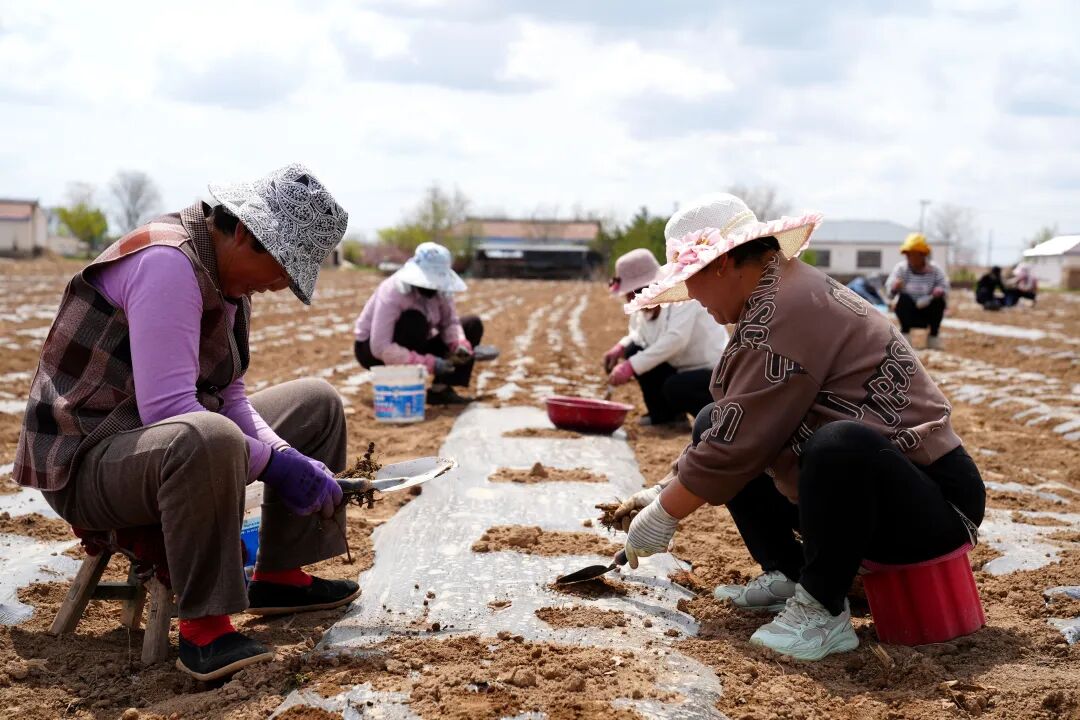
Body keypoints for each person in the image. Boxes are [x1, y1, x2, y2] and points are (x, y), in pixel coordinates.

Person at [13, 164, 360, 681]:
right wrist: (273, 465)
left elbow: (230, 394)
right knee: (210, 437)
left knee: (317, 403)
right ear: (244, 233)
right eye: (283, 268)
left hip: (148, 441)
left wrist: (285, 455)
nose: (281, 284)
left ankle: (280, 576)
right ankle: (205, 628)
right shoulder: (168, 264)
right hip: (86, 462)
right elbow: (171, 408)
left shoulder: (226, 279)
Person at [611, 193, 984, 661]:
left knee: (838, 446)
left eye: (691, 279)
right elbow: (735, 422)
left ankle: (822, 607)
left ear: (722, 264)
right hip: (873, 494)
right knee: (713, 420)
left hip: (934, 503)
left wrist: (663, 513)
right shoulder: (775, 294)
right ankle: (791, 573)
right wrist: (664, 489)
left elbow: (736, 445)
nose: (693, 296)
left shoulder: (784, 308)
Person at [603, 248, 728, 426]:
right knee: (633, 350)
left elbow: (675, 339)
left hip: (710, 370)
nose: (629, 299)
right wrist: (621, 347)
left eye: (632, 293)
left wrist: (631, 366)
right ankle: (663, 415)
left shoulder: (682, 295)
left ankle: (716, 422)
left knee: (676, 386)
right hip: (679, 366)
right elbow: (637, 334)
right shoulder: (642, 307)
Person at [354, 242, 483, 406]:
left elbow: (450, 322)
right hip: (373, 351)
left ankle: (441, 390)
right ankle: (401, 387)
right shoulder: (393, 291)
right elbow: (380, 346)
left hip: (417, 342)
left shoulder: (442, 291)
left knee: (472, 324)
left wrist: (459, 345)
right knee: (414, 320)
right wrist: (430, 363)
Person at [885, 233, 950, 349]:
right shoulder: (901, 269)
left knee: (939, 302)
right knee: (902, 299)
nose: (910, 257)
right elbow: (889, 292)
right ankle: (905, 335)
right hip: (909, 311)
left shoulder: (934, 270)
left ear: (923, 255)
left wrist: (939, 290)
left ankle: (933, 336)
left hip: (928, 310)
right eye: (908, 254)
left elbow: (944, 285)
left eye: (913, 254)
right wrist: (895, 287)